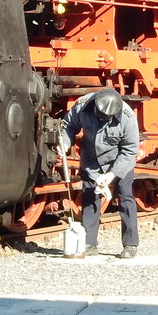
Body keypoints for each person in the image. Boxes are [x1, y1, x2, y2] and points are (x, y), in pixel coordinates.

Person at [60, 87, 140, 258]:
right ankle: (89, 243)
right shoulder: (81, 106)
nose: (102, 119)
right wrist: (65, 142)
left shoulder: (128, 117)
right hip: (92, 160)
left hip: (120, 160)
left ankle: (130, 244)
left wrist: (112, 174)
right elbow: (69, 125)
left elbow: (130, 150)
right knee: (89, 197)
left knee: (125, 196)